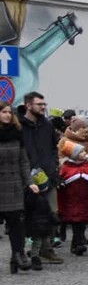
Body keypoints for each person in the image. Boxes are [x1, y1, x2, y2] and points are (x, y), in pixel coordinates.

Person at [18, 91, 62, 264]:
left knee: (51, 213)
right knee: (28, 216)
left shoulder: (47, 125)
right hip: (26, 178)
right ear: (28, 105)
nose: (44, 107)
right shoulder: (19, 125)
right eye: (40, 104)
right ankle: (23, 251)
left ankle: (47, 249)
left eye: (44, 104)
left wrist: (53, 165)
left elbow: (54, 147)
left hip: (47, 176)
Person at [56, 117, 88, 256]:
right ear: (76, 129)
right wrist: (69, 168)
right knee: (72, 216)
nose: (86, 129)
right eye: (83, 127)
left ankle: (78, 240)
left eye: (87, 126)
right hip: (71, 184)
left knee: (83, 217)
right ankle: (74, 239)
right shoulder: (65, 140)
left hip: (86, 181)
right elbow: (59, 156)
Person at [0, 101, 35, 274]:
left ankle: (18, 254)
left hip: (14, 185)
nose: (7, 115)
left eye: (9, 112)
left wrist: (30, 182)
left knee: (16, 223)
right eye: (4, 112)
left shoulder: (17, 133)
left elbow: (24, 162)